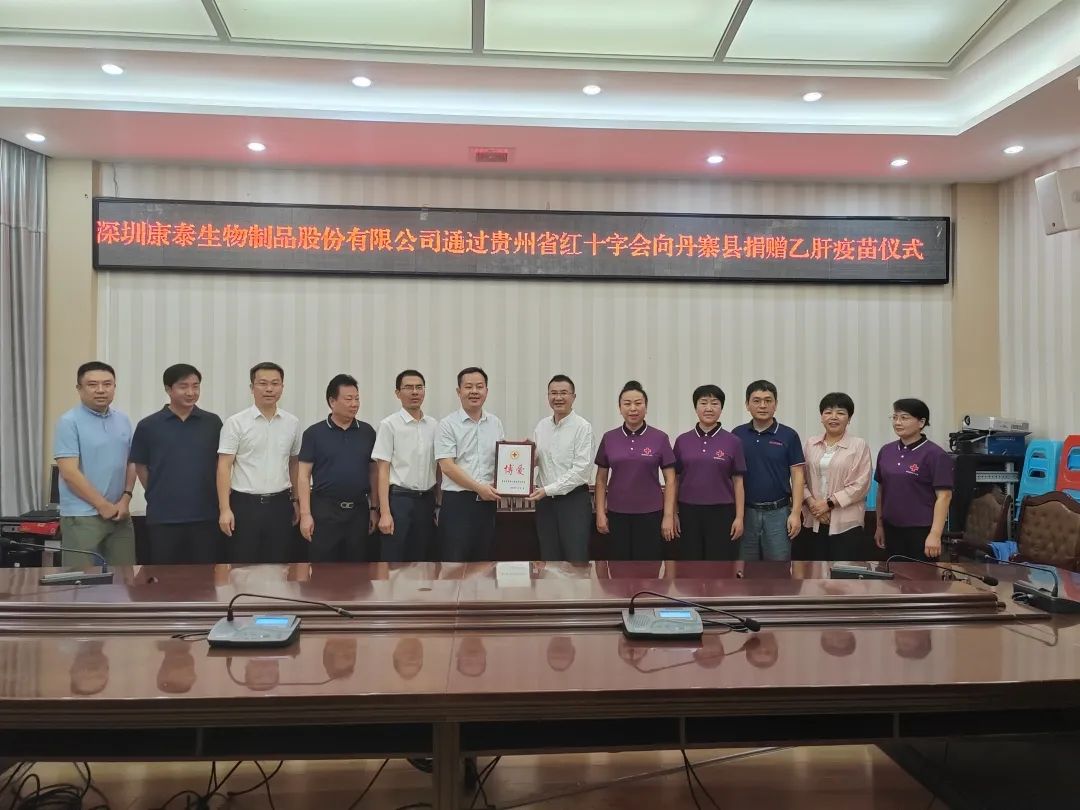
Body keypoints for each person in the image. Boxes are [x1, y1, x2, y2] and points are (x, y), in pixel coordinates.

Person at [129, 363, 223, 564]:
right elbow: (141, 466)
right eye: (183, 386)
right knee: (165, 576)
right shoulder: (148, 425)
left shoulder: (213, 423)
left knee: (205, 576)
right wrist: (157, 492)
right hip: (164, 517)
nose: (191, 392)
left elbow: (220, 465)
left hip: (206, 516)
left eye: (195, 386)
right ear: (168, 389)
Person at [217, 362, 302, 564]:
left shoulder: (292, 423)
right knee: (243, 567)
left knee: (280, 566)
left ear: (282, 387)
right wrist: (225, 509)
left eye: (275, 383)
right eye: (263, 383)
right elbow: (224, 467)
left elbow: (294, 463)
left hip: (280, 505)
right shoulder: (236, 423)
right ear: (252, 387)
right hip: (245, 506)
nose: (269, 389)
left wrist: (296, 500)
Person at [53, 361, 136, 566]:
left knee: (124, 577)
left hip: (119, 514)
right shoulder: (69, 421)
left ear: (114, 387)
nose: (101, 390)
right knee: (81, 579)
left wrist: (126, 498)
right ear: (79, 388)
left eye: (107, 384)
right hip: (82, 515)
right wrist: (102, 505)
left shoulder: (123, 419)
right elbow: (69, 472)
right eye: (92, 384)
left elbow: (131, 462)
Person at [296, 374, 378, 562]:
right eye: (348, 399)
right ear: (332, 401)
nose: (354, 404)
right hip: (325, 510)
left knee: (358, 569)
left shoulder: (367, 432)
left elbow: (374, 471)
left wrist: (374, 508)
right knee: (323, 570)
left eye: (357, 399)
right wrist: (305, 514)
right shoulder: (314, 433)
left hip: (358, 511)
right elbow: (303, 476)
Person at [594, 381, 676, 560]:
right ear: (620, 408)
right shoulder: (609, 438)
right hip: (617, 513)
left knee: (648, 567)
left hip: (651, 513)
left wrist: (668, 516)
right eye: (627, 403)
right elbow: (600, 479)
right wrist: (600, 512)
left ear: (646, 407)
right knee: (618, 566)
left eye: (638, 403)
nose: (633, 408)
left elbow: (670, 480)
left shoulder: (660, 438)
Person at [435, 367, 505, 561]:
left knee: (484, 562)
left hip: (487, 503)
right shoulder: (447, 424)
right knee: (454, 564)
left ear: (486, 391)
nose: (474, 391)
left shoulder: (495, 423)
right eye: (468, 387)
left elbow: (501, 460)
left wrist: (521, 456)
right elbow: (447, 466)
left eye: (479, 387)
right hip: (458, 503)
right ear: (459, 392)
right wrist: (478, 488)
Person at [732, 380, 805, 562]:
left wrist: (796, 513)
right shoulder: (737, 435)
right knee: (746, 568)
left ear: (776, 404)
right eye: (756, 400)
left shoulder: (789, 435)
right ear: (747, 404)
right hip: (745, 513)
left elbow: (797, 476)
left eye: (768, 400)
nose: (762, 405)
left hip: (778, 513)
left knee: (778, 568)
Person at [874, 398, 954, 561]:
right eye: (895, 417)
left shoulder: (936, 454)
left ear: (921, 422)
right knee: (894, 574)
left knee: (921, 576)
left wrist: (935, 534)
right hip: (891, 528)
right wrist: (879, 525)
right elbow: (881, 490)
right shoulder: (886, 451)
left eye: (904, 417)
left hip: (921, 530)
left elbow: (944, 496)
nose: (898, 422)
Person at [672, 384, 746, 560]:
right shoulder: (682, 440)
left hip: (722, 512)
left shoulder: (733, 441)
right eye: (703, 403)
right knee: (690, 563)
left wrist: (739, 517)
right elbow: (675, 479)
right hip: (688, 511)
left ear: (721, 408)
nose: (709, 408)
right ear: (695, 407)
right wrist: (673, 513)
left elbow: (738, 482)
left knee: (719, 564)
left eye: (714, 403)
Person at [373, 370, 439, 562]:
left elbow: (438, 467)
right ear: (397, 393)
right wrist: (385, 512)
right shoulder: (389, 425)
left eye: (419, 387)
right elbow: (382, 470)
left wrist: (439, 504)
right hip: (399, 500)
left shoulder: (434, 425)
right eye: (408, 387)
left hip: (427, 501)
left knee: (423, 560)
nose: (415, 392)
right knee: (395, 560)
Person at [798, 392, 872, 561]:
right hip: (813, 518)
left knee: (844, 572)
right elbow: (799, 479)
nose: (833, 417)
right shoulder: (810, 444)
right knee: (814, 571)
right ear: (821, 417)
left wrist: (828, 504)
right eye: (828, 412)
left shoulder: (858, 445)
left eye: (840, 413)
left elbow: (861, 485)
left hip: (846, 522)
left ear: (849, 418)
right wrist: (813, 505)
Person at [529, 374, 594, 562]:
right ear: (548, 396)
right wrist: (526, 457)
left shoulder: (583, 427)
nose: (558, 397)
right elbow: (539, 460)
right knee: (549, 559)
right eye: (553, 393)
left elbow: (581, 470)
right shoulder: (542, 426)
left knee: (576, 559)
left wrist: (547, 490)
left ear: (573, 397)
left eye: (563, 393)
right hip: (545, 504)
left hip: (573, 502)